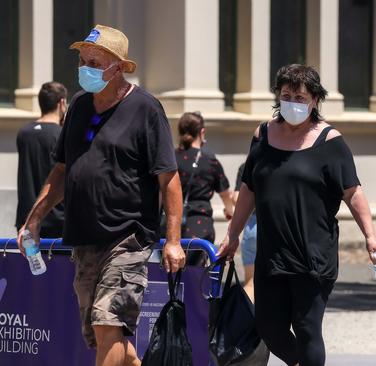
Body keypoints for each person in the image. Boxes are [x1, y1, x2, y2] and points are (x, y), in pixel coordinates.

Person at [17, 25, 185, 366]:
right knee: (104, 336)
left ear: (119, 67)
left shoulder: (146, 109)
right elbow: (61, 170)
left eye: (96, 61)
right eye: (83, 60)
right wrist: (33, 220)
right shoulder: (78, 106)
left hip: (128, 237)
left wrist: (173, 240)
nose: (86, 67)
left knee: (108, 322)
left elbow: (169, 179)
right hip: (85, 238)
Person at [217, 64, 376, 366]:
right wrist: (232, 234)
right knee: (268, 327)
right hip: (271, 254)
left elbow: (354, 193)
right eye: (286, 96)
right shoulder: (262, 135)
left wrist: (371, 237)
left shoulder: (331, 142)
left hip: (313, 255)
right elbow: (248, 189)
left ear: (314, 100)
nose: (292, 103)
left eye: (300, 97)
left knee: (307, 327)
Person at [170, 111, 234, 266]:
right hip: (199, 225)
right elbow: (226, 194)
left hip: (171, 224)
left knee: (168, 273)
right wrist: (229, 211)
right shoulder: (209, 161)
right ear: (202, 132)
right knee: (195, 273)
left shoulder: (170, 158)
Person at [15, 81, 67, 239]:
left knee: (33, 265)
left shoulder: (24, 133)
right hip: (59, 222)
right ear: (62, 103)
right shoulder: (61, 134)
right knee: (60, 264)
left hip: (27, 220)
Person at [233, 162, 257, 301]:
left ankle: (248, 319)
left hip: (252, 226)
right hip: (277, 227)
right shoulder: (283, 157)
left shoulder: (246, 166)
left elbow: (237, 198)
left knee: (250, 283)